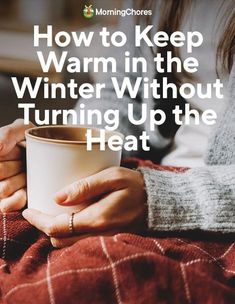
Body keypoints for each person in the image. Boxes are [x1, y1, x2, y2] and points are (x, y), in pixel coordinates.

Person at [0, 0, 234, 248]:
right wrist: (61, 151)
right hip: (145, 179)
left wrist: (160, 201)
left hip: (201, 208)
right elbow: (122, 91)